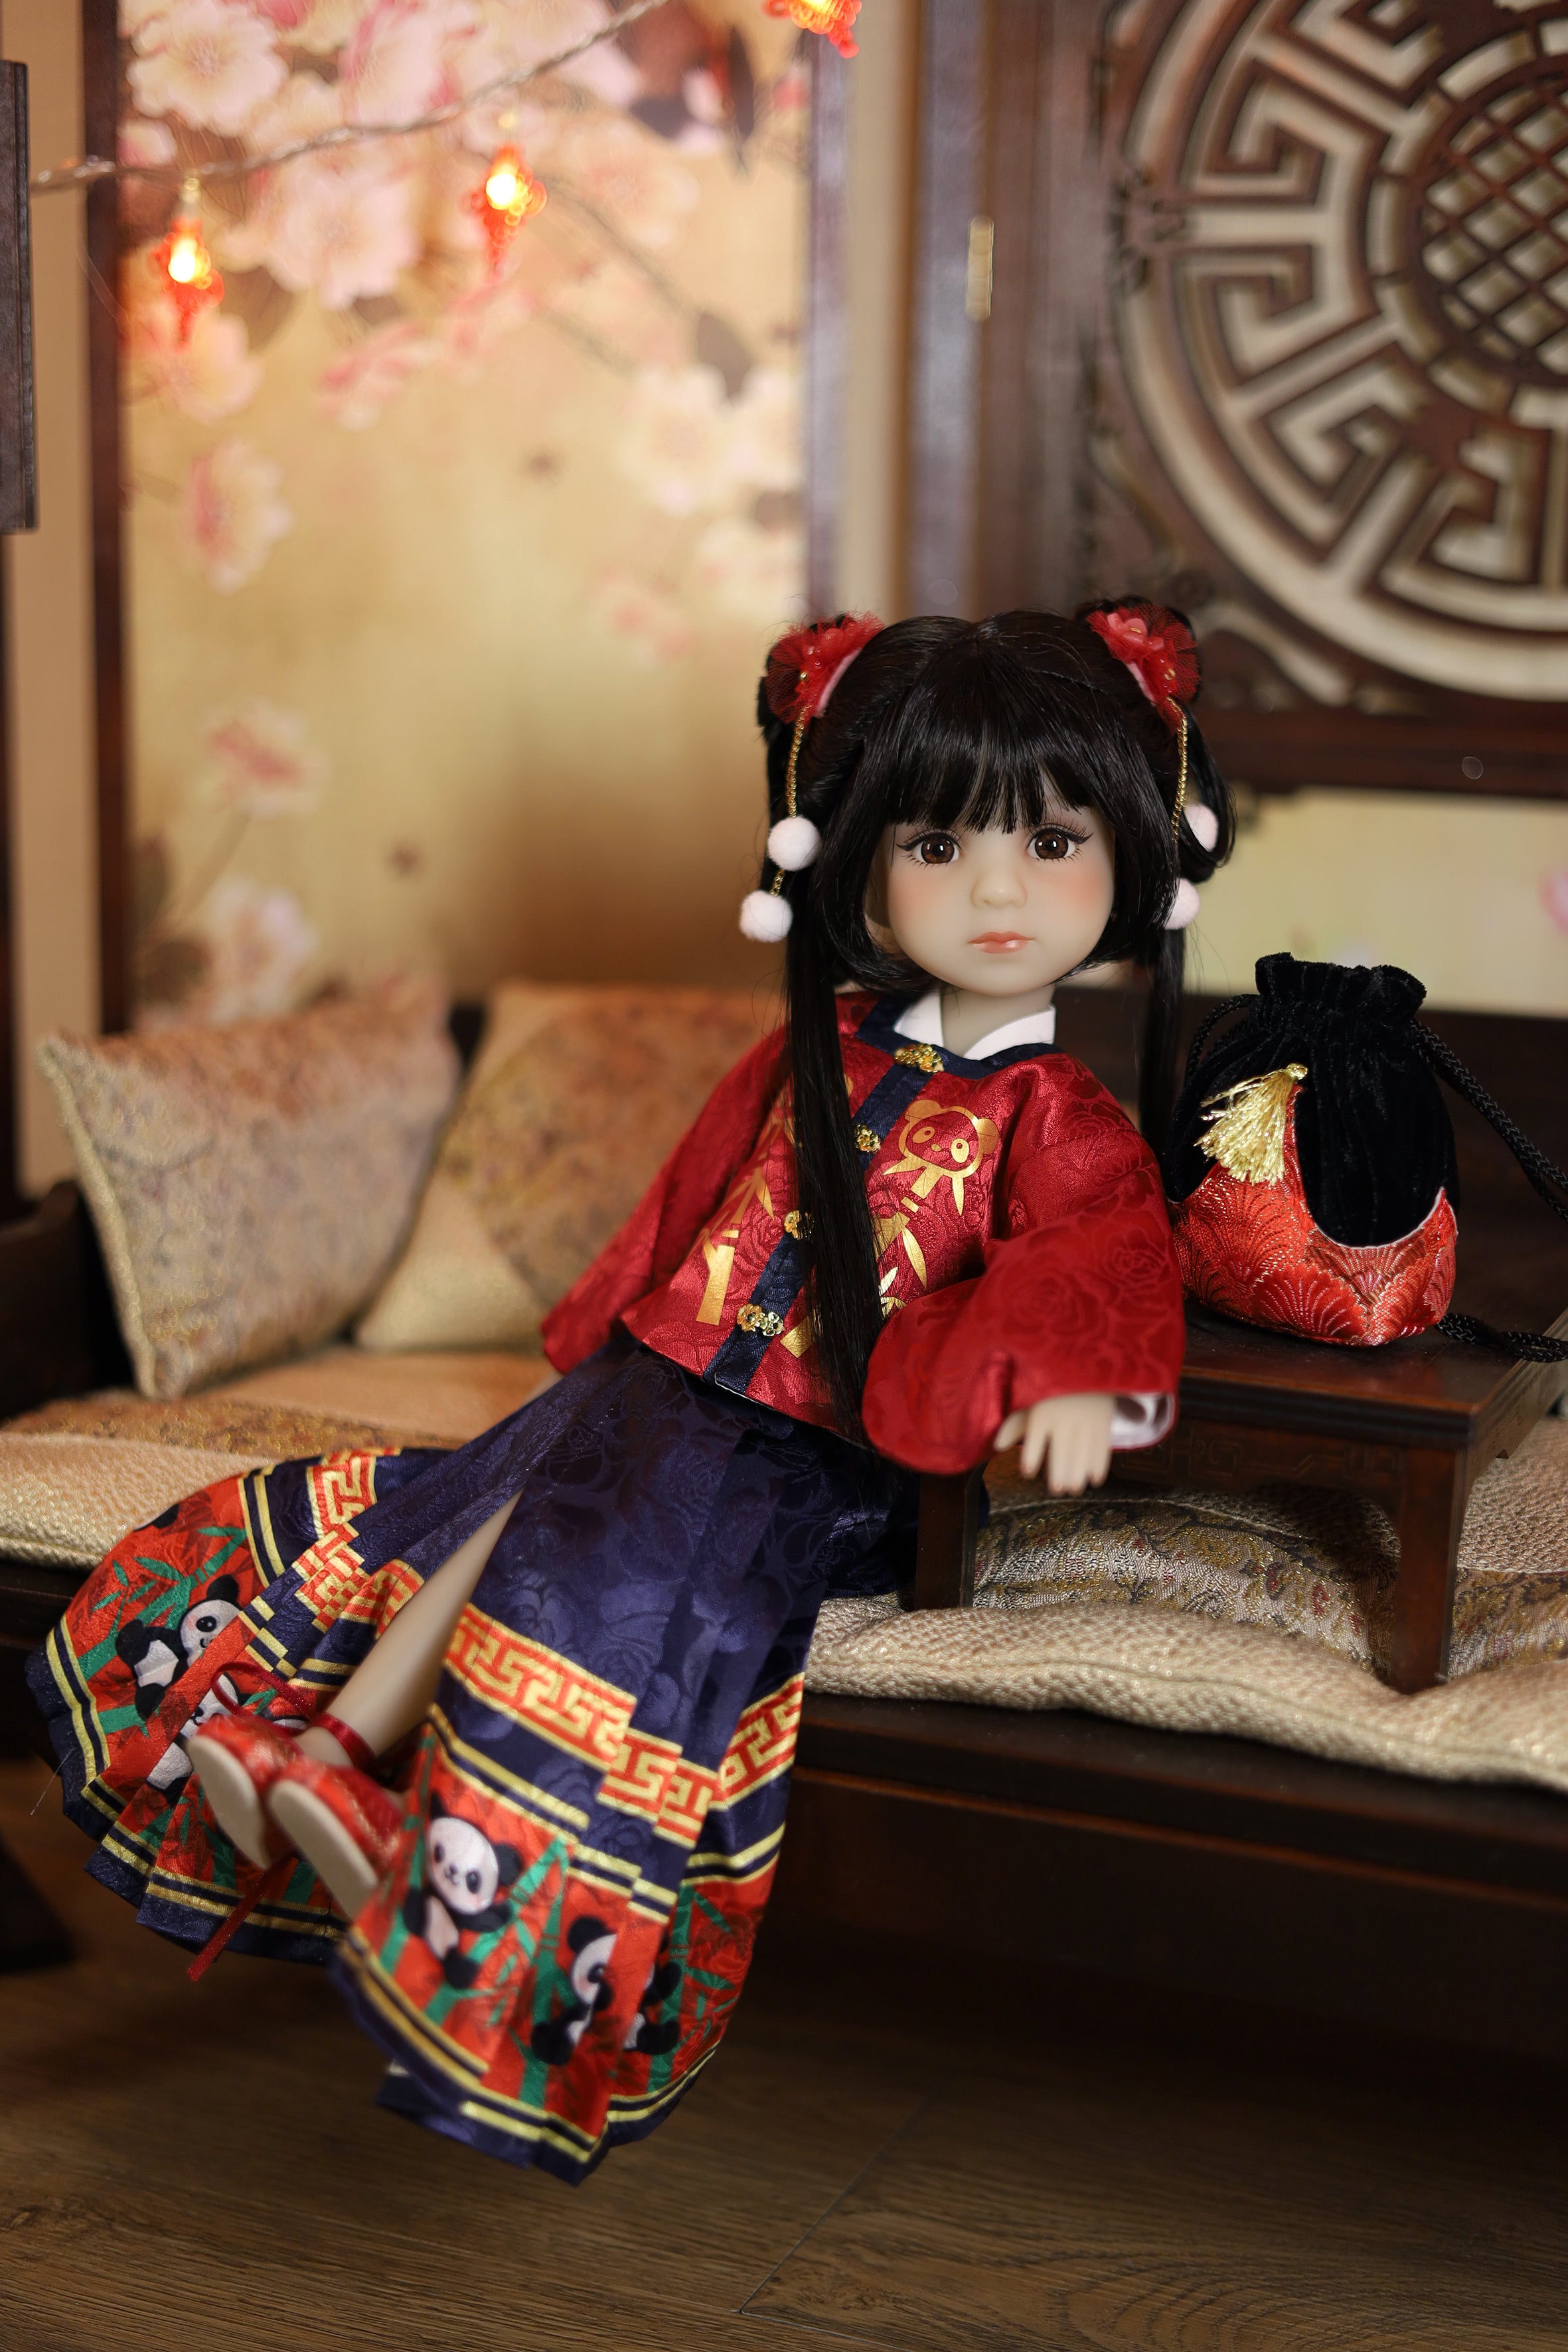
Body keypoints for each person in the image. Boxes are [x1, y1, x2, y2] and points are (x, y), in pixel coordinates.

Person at [30, 603, 1232, 2182]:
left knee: (591, 1553)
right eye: (937, 845)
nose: (995, 890)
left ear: (1128, 856)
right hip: (670, 1379)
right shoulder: (818, 1048)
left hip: (818, 1447)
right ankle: (319, 1753)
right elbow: (689, 1200)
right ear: (858, 858)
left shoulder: (1057, 1115)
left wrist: (1063, 1378)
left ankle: (421, 1819)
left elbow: (1098, 1255)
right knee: (484, 1493)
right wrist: (609, 1323)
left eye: (1050, 842)